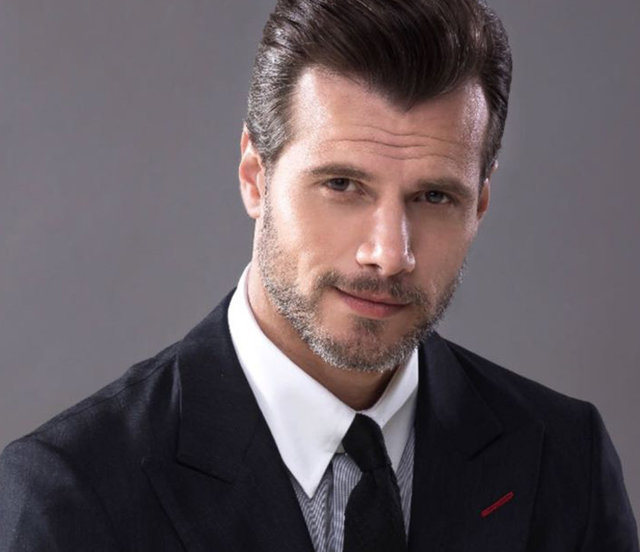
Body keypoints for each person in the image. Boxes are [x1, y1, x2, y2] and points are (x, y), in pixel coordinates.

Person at [0, 0, 637, 549]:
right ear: (255, 176)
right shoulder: (73, 495)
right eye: (342, 185)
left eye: (434, 197)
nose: (389, 254)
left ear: (481, 204)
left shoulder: (564, 462)